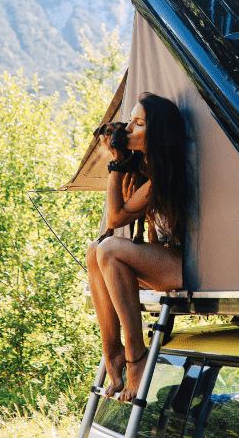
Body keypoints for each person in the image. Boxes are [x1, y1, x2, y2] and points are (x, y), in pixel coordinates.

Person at [85, 93, 187, 402]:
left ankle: (136, 355)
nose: (127, 128)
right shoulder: (143, 166)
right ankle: (112, 353)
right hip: (166, 261)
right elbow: (116, 225)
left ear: (156, 133)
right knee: (96, 250)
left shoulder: (166, 173)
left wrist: (116, 162)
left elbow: (115, 218)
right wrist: (123, 164)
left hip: (187, 264)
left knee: (109, 249)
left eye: (138, 123)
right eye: (129, 120)